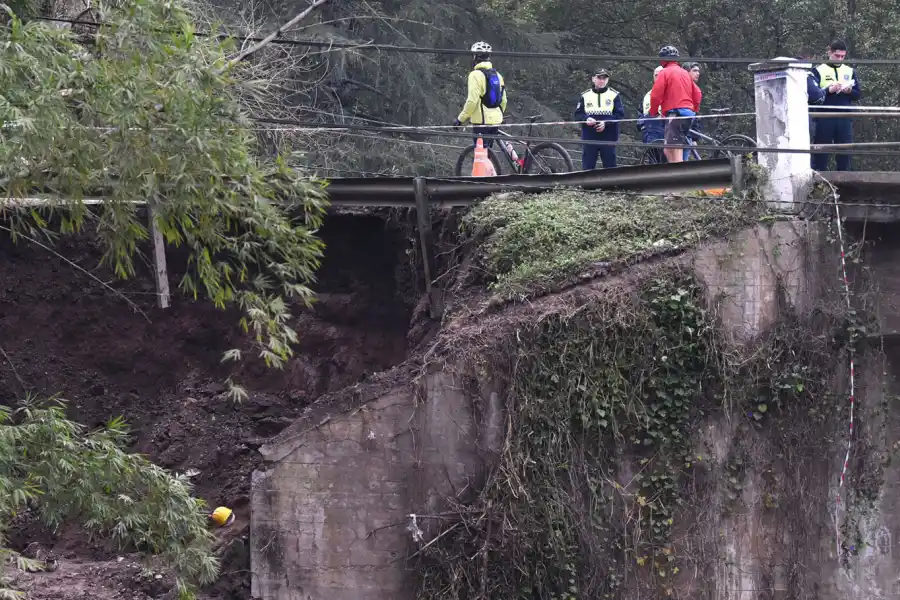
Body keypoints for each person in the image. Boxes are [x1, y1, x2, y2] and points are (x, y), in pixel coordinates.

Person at [811, 39, 861, 171]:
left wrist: (849, 90)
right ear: (829, 52)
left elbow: (858, 94)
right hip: (824, 118)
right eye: (837, 56)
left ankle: (845, 185)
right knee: (821, 153)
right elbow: (813, 96)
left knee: (844, 153)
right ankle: (818, 184)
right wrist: (829, 90)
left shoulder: (849, 71)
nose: (839, 59)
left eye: (842, 57)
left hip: (844, 117)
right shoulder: (818, 71)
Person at [649, 45, 702, 164]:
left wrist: (653, 112)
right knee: (668, 149)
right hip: (688, 114)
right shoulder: (684, 73)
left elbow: (655, 95)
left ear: (663, 60)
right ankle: (675, 174)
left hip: (675, 113)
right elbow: (697, 93)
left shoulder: (665, 72)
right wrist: (694, 110)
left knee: (675, 148)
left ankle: (680, 178)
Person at [453, 41, 507, 148]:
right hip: (496, 121)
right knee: (488, 155)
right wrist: (497, 114)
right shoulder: (498, 75)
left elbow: (472, 101)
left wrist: (460, 119)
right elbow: (504, 100)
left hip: (481, 123)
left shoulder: (475, 75)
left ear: (475, 57)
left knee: (481, 157)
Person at [574, 68, 625, 169]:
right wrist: (586, 119)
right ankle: (587, 185)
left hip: (608, 137)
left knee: (610, 166)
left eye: (604, 78)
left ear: (607, 80)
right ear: (593, 79)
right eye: (599, 78)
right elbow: (578, 114)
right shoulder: (585, 95)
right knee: (588, 165)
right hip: (589, 137)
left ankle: (611, 185)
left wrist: (606, 123)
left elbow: (620, 114)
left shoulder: (614, 95)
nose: (602, 81)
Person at [798, 48, 826, 165]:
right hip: (803, 116)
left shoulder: (790, 69)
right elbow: (816, 96)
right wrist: (825, 91)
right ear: (809, 58)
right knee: (805, 146)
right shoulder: (803, 72)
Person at [637, 66, 665, 163]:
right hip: (649, 135)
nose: (658, 77)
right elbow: (641, 111)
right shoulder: (647, 95)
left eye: (660, 75)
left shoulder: (671, 92)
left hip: (665, 134)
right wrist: (641, 125)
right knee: (652, 164)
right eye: (656, 75)